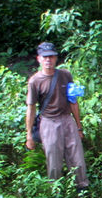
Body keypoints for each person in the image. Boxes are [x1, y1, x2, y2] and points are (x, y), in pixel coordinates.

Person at [24, 42, 89, 190]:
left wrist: (79, 126)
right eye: (45, 57)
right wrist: (29, 135)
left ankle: (82, 192)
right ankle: (57, 196)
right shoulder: (35, 81)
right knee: (54, 161)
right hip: (48, 122)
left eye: (51, 57)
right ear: (39, 59)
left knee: (77, 158)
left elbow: (73, 101)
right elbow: (31, 108)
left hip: (67, 119)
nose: (48, 60)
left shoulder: (65, 75)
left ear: (56, 58)